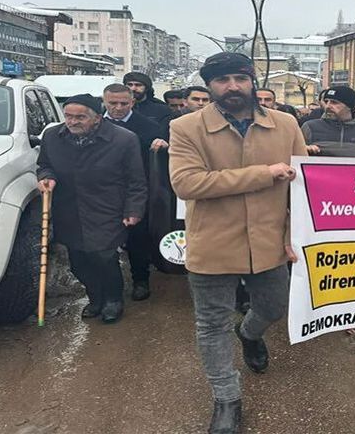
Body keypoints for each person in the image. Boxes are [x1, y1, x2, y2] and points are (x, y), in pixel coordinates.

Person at [168, 52, 306, 433]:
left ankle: (249, 333)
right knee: (211, 324)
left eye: (240, 79)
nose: (232, 86)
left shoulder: (286, 124)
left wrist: (295, 235)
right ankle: (226, 398)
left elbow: (302, 187)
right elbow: (188, 183)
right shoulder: (185, 128)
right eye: (222, 80)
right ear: (210, 86)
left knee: (273, 307)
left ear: (252, 81)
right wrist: (263, 174)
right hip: (213, 243)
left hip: (269, 242)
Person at [37, 94, 147, 324]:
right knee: (78, 261)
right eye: (68, 116)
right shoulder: (52, 136)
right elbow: (44, 164)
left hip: (106, 207)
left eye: (80, 117)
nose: (73, 122)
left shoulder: (123, 139)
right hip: (69, 208)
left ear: (97, 118)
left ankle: (113, 300)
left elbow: (136, 180)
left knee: (103, 256)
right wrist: (46, 177)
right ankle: (95, 297)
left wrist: (133, 209)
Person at [102, 83, 166, 301]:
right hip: (102, 192)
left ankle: (140, 280)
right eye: (113, 103)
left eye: (124, 103)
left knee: (137, 238)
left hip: (136, 191)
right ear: (104, 101)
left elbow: (159, 160)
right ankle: (108, 288)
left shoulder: (148, 127)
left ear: (132, 102)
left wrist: (163, 145)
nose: (118, 108)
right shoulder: (94, 124)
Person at [300, 86, 355, 154]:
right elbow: (295, 155)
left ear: (349, 106)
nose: (328, 106)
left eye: (334, 102)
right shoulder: (310, 127)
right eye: (326, 101)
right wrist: (304, 149)